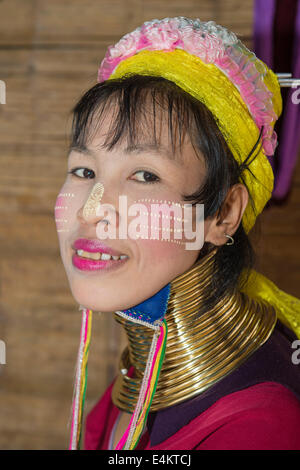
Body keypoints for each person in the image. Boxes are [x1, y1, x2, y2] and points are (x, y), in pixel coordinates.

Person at [55, 17, 300, 450]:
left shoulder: (260, 426)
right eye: (84, 170)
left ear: (223, 214)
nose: (92, 212)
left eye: (145, 175)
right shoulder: (134, 382)